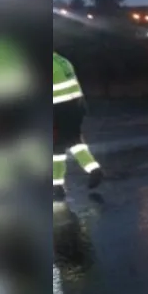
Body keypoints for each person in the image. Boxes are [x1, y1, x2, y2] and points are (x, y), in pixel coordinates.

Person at [53, 52, 103, 201]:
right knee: (71, 141)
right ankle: (93, 169)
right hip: (76, 106)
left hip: (59, 108)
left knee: (57, 146)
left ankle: (57, 186)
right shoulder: (62, 60)